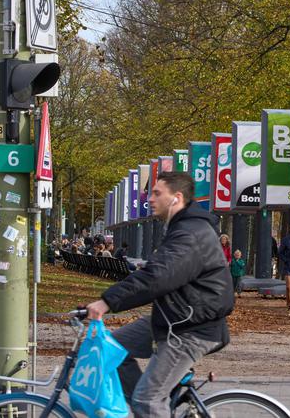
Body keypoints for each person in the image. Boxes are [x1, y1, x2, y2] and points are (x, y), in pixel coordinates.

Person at [84, 171, 234, 416]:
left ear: (176, 198)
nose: (150, 199)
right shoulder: (180, 228)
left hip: (192, 328)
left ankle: (149, 407)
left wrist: (107, 301)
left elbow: (157, 277)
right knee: (110, 348)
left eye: (156, 193)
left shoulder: (189, 233)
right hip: (173, 318)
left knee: (147, 400)